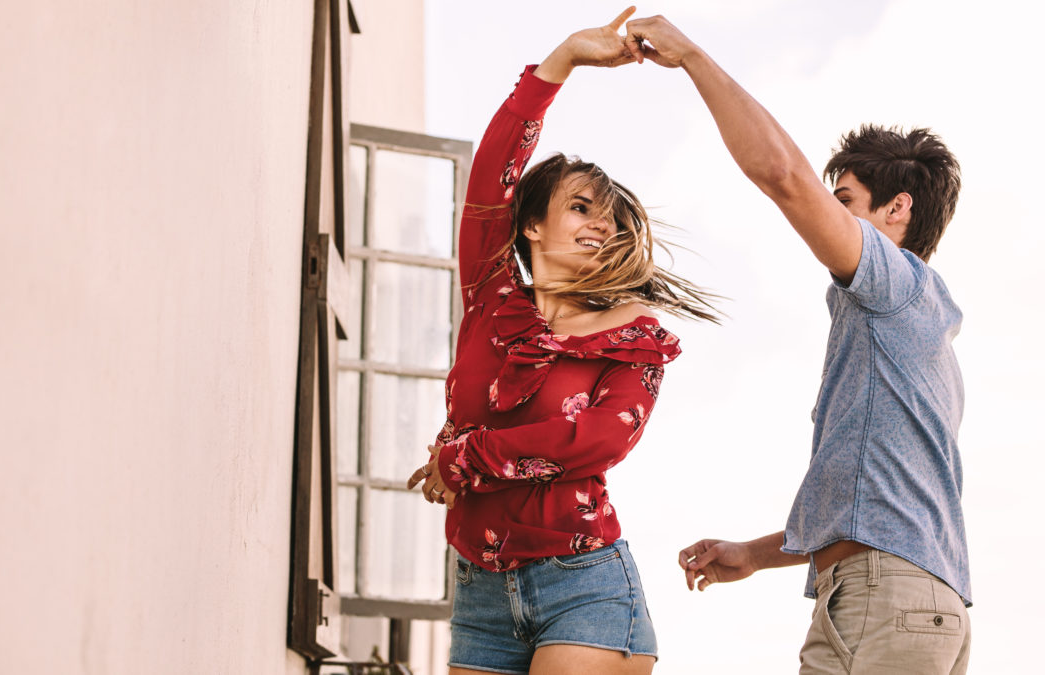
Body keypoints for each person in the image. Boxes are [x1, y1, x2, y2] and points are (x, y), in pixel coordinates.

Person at [620, 14, 971, 675]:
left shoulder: (892, 282)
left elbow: (781, 174)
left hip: (882, 600)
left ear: (897, 211)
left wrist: (693, 55)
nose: (828, 215)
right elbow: (874, 504)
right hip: (925, 607)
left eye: (844, 201)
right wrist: (756, 553)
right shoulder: (921, 337)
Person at [405, 8, 717, 675]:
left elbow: (600, 438)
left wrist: (468, 456)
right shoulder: (491, 300)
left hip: (585, 588)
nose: (599, 224)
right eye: (580, 206)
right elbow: (492, 174)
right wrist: (564, 59)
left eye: (607, 214)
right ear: (531, 228)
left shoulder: (635, 340)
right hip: (481, 593)